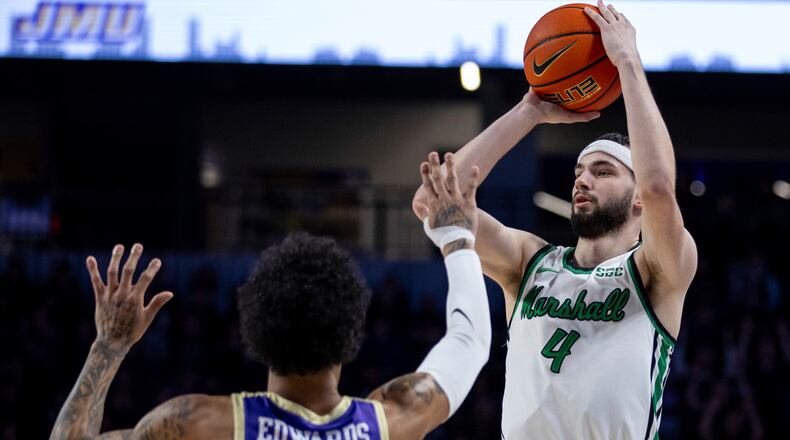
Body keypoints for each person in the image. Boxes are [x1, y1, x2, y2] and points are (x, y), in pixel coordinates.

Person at [50, 154, 490, 439]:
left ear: (255, 328)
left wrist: (107, 345)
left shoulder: (197, 424)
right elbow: (469, 343)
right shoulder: (388, 421)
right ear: (351, 332)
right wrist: (455, 237)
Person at [411, 2, 697, 438]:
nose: (583, 181)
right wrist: (529, 111)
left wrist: (628, 62)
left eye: (603, 172)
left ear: (638, 198)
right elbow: (435, 206)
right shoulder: (530, 262)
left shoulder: (655, 272)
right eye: (579, 172)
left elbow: (659, 185)